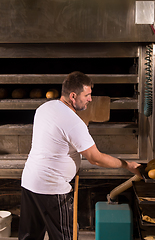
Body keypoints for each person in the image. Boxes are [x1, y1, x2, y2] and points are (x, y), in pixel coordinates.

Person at [18, 71, 141, 240]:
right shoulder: (73, 122)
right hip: (53, 190)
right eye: (87, 95)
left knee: (29, 237)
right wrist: (128, 165)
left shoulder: (45, 108)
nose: (90, 99)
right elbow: (95, 158)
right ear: (73, 95)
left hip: (30, 183)